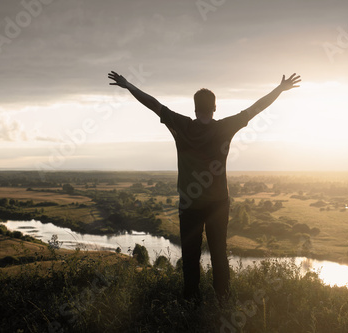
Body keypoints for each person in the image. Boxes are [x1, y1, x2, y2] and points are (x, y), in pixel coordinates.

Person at [108, 71, 301, 302]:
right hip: (219, 204)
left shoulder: (182, 125)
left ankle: (191, 302)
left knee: (190, 257)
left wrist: (129, 85)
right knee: (219, 254)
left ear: (195, 108)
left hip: (189, 205)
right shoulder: (225, 127)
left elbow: (154, 104)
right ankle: (222, 301)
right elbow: (256, 107)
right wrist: (279, 89)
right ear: (215, 108)